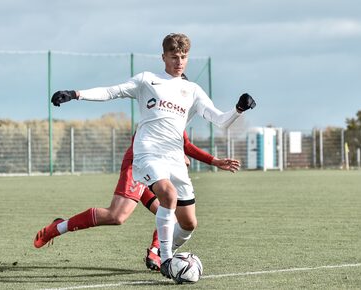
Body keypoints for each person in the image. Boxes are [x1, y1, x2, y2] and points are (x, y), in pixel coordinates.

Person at [49, 33, 256, 278]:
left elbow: (220, 121)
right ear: (164, 57)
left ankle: (161, 251)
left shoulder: (192, 90)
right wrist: (76, 94)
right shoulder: (147, 80)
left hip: (174, 159)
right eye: (174, 57)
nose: (179, 62)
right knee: (167, 194)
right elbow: (111, 91)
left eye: (184, 57)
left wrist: (239, 109)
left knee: (189, 223)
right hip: (148, 152)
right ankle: (167, 261)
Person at [34, 129, 241, 271]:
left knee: (172, 216)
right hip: (140, 165)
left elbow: (183, 143)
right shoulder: (157, 105)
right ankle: (58, 227)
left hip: (156, 170)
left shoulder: (178, 111)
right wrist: (184, 156)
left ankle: (155, 253)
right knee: (117, 216)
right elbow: (166, 143)